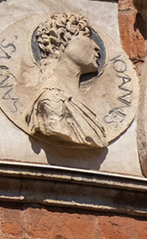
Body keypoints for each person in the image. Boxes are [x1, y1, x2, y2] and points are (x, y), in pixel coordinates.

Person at [22, 13, 109, 149]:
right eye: (87, 37)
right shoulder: (51, 103)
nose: (97, 47)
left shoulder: (66, 100)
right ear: (63, 37)